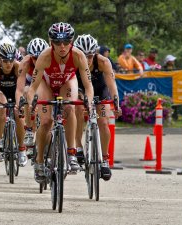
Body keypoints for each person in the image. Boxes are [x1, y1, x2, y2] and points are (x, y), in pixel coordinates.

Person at [26, 22, 94, 183]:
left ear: (71, 42)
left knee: (70, 107)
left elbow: (88, 85)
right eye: (57, 42)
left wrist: (89, 103)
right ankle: (40, 161)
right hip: (47, 83)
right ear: (51, 42)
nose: (62, 46)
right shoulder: (45, 56)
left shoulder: (78, 56)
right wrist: (31, 104)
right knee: (46, 121)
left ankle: (71, 153)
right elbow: (32, 87)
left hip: (66, 82)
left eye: (66, 42)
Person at [73, 34, 120, 181]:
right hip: (80, 91)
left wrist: (116, 104)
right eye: (84, 56)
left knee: (104, 122)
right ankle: (79, 146)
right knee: (78, 110)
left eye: (90, 56)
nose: (87, 59)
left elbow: (112, 86)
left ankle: (104, 159)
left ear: (95, 53)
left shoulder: (103, 62)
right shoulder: (74, 63)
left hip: (100, 91)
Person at [0, 43, 27, 166]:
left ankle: (22, 149)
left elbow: (21, 88)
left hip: (15, 92)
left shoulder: (18, 67)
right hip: (0, 92)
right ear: (0, 60)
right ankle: (0, 139)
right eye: (5, 60)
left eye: (11, 60)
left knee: (19, 115)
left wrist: (19, 104)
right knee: (1, 108)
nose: (8, 64)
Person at [16, 37, 49, 156]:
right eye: (34, 58)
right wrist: (19, 103)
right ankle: (29, 130)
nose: (36, 61)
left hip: (46, 86)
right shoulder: (25, 63)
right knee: (26, 91)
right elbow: (19, 88)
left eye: (39, 57)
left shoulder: (50, 59)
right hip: (30, 86)